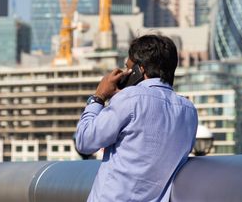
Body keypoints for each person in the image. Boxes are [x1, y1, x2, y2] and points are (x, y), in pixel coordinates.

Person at [76, 34, 198, 201]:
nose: (125, 73)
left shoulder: (130, 98)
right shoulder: (189, 110)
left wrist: (98, 97)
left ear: (140, 70)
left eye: (128, 68)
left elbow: (84, 141)